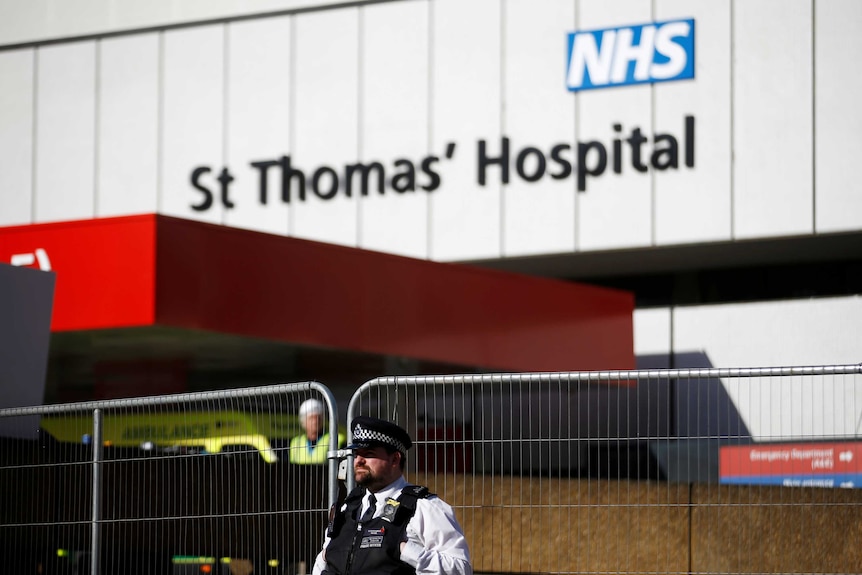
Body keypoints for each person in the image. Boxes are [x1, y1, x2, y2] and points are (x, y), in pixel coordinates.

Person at [312, 416, 472, 575]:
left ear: (395, 459)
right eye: (355, 454)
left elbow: (460, 568)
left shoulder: (423, 507)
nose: (358, 461)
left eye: (368, 453)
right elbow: (322, 562)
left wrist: (405, 550)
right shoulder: (348, 507)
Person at [290, 398, 345, 465]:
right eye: (311, 418)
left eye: (318, 418)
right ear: (303, 421)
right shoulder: (295, 442)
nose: (315, 421)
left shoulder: (337, 439)